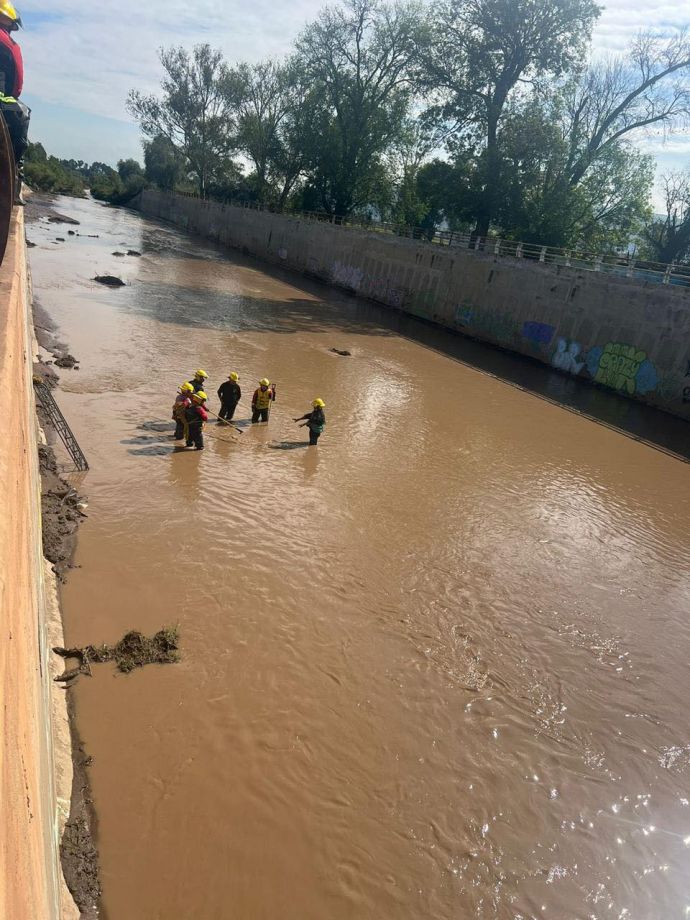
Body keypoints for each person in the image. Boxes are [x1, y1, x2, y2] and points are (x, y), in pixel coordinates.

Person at [0, 2, 29, 204]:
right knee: (23, 114)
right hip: (3, 101)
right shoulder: (9, 45)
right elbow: (17, 85)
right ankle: (14, 176)